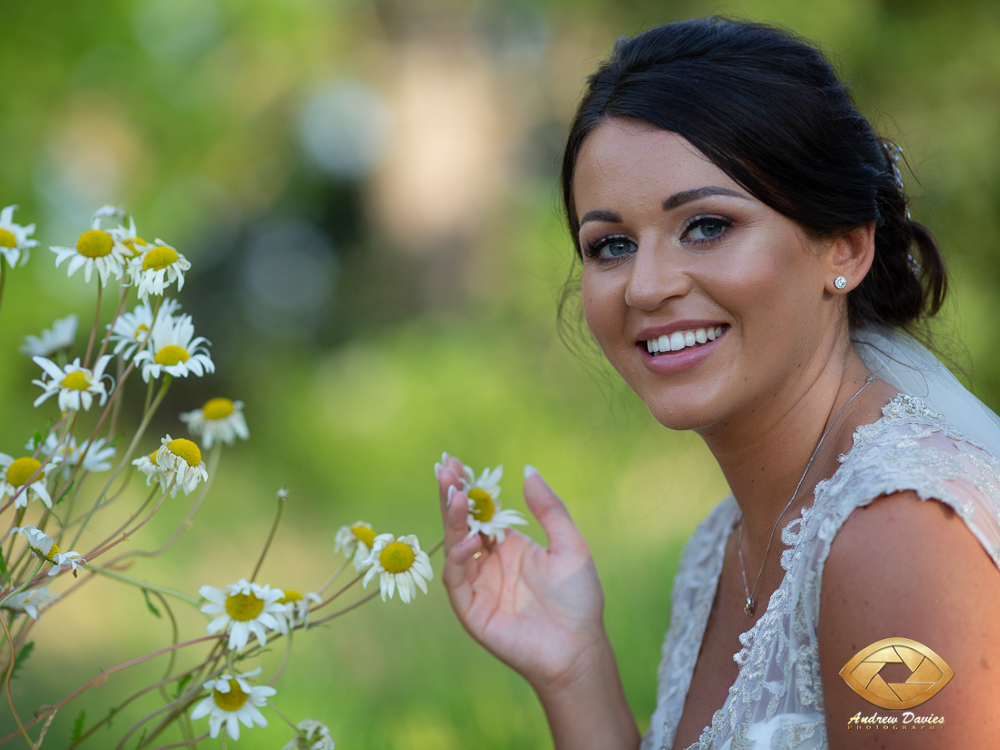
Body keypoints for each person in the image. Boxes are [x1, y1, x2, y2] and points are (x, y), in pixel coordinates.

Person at [433, 17, 1000, 750]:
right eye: (611, 245)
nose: (647, 286)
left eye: (705, 226)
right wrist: (574, 671)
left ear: (847, 246)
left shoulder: (896, 538)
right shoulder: (718, 549)